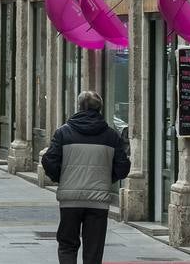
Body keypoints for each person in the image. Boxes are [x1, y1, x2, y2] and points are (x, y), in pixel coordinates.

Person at [41, 90, 131, 264]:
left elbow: (48, 161)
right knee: (93, 250)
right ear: (100, 108)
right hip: (98, 201)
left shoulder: (63, 133)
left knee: (67, 245)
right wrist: (108, 178)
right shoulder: (111, 136)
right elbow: (123, 167)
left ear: (80, 107)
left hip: (70, 200)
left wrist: (62, 177)